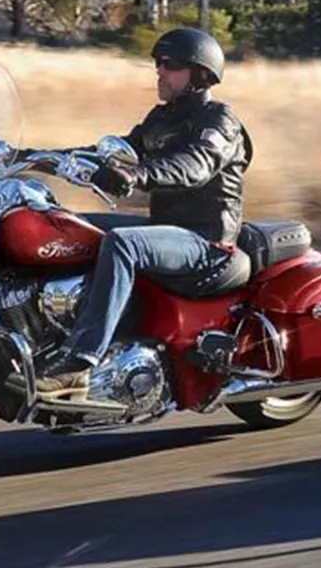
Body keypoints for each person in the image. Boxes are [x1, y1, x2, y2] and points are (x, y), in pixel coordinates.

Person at [31, 27, 254, 405]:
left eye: (170, 65)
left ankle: (79, 363)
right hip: (167, 233)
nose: (160, 72)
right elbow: (110, 154)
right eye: (157, 64)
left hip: (207, 244)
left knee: (122, 244)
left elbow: (194, 166)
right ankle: (46, 335)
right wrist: (30, 157)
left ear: (200, 75)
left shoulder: (220, 122)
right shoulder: (160, 120)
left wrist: (137, 176)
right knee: (63, 226)